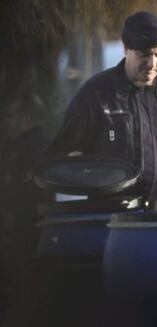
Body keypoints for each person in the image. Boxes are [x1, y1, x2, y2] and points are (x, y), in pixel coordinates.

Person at [44, 11, 157, 211]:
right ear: (125, 49)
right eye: (144, 55)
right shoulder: (96, 94)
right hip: (112, 220)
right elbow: (60, 158)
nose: (152, 63)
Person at [0, 93, 50, 323]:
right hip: (36, 231)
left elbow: (24, 193)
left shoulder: (28, 149)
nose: (8, 122)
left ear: (27, 119)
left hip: (28, 232)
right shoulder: (42, 146)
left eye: (12, 116)